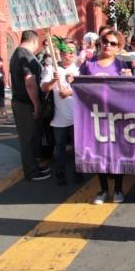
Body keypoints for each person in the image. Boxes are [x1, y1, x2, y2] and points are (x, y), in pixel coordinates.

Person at [80, 29, 132, 204]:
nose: (108, 45)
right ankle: (102, 190)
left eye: (113, 43)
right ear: (100, 43)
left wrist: (130, 79)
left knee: (117, 153)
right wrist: (72, 80)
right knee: (99, 153)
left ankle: (118, 189)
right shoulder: (89, 65)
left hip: (115, 118)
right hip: (94, 116)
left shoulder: (121, 67)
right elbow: (79, 87)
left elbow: (129, 94)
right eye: (105, 41)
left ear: (119, 48)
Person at [9, 30, 51, 181]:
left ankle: (34, 166)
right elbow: (30, 82)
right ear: (34, 41)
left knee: (32, 137)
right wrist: (37, 104)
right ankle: (31, 172)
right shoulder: (25, 55)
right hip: (26, 103)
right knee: (27, 139)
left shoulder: (16, 53)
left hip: (21, 102)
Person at [41, 39, 83, 186]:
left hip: (78, 117)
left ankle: (78, 173)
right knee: (60, 147)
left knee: (78, 146)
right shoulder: (51, 68)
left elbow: (87, 90)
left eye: (73, 50)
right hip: (59, 118)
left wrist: (70, 91)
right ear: (61, 51)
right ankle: (60, 173)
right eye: (67, 50)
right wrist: (54, 80)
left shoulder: (80, 69)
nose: (70, 53)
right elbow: (44, 88)